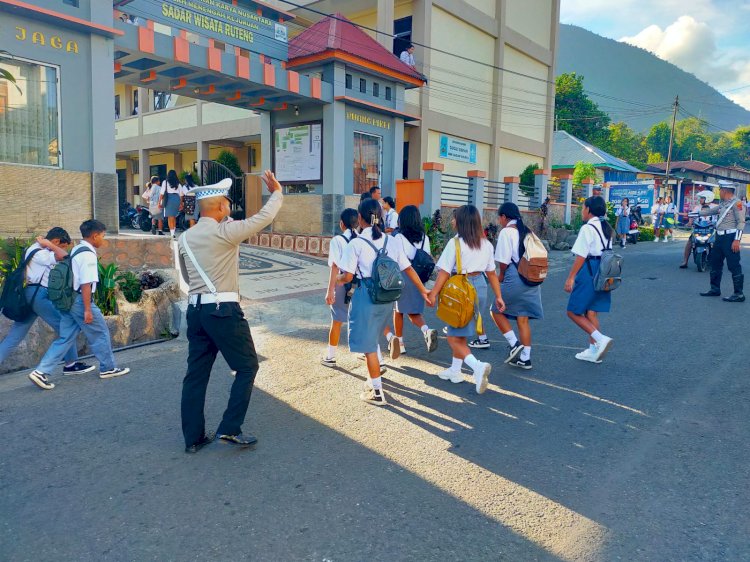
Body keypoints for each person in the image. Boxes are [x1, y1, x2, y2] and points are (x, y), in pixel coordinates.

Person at [178, 172, 283, 453]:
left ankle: (193, 439)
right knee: (247, 366)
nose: (229, 206)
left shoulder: (184, 238)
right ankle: (230, 427)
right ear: (221, 207)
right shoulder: (226, 233)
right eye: (226, 202)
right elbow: (263, 218)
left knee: (196, 375)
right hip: (223, 310)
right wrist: (277, 192)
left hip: (195, 310)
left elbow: (186, 278)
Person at [336, 199, 430, 406]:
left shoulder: (357, 244)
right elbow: (408, 268)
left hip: (366, 297)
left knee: (368, 345)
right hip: (388, 298)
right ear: (380, 216)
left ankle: (377, 391)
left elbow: (348, 276)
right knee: (375, 335)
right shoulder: (392, 241)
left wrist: (337, 278)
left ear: (360, 218)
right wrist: (424, 290)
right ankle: (373, 379)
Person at [27, 221, 130, 390]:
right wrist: (88, 309)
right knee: (100, 332)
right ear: (95, 235)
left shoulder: (76, 249)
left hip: (68, 300)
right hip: (81, 301)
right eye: (103, 236)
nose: (103, 240)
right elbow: (86, 283)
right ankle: (108, 368)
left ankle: (41, 372)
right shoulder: (87, 255)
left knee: (65, 337)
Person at [428, 205, 504, 394]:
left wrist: (433, 293)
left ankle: (477, 366)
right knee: (459, 331)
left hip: (461, 289)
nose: (452, 221)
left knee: (453, 336)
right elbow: (492, 273)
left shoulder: (456, 243)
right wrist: (499, 296)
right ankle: (455, 370)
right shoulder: (485, 243)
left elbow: (444, 272)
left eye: (454, 218)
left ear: (461, 222)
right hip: (480, 287)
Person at [0, 229, 92, 376]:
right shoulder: (41, 253)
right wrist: (50, 245)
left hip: (30, 295)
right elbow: (64, 256)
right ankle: (71, 364)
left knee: (14, 336)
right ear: (55, 242)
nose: (62, 249)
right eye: (62, 245)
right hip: (39, 296)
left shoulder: (35, 249)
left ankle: (71, 363)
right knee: (65, 327)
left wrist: (48, 244)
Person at [490, 203, 543, 370]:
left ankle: (514, 344)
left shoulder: (507, 232)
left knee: (496, 310)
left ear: (505, 216)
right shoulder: (528, 231)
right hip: (532, 278)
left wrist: (501, 275)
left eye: (500, 218)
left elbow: (503, 261)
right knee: (523, 317)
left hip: (515, 276)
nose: (499, 221)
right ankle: (525, 358)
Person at [382, 205, 438, 358]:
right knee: (414, 312)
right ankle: (426, 330)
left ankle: (400, 343)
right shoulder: (424, 237)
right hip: (419, 278)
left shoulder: (398, 237)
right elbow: (428, 256)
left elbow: (394, 259)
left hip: (403, 276)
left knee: (398, 310)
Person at [564, 196, 614, 364]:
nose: (581, 210)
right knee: (591, 311)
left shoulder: (587, 228)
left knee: (573, 311)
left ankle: (600, 340)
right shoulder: (605, 227)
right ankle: (593, 350)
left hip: (590, 270)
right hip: (605, 271)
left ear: (589, 210)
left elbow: (581, 255)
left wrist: (571, 277)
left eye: (583, 207)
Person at [322, 208, 359, 367]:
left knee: (337, 320)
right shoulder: (360, 239)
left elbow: (335, 267)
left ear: (341, 224)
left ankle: (330, 356)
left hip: (343, 282)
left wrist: (330, 290)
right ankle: (374, 357)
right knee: (361, 320)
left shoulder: (337, 240)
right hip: (359, 284)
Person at [698, 181, 745, 302]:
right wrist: (695, 213)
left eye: (720, 190)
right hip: (719, 238)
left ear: (725, 190)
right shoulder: (724, 203)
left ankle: (739, 294)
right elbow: (711, 211)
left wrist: (737, 240)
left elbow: (741, 222)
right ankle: (714, 289)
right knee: (715, 263)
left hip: (730, 238)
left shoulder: (738, 203)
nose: (719, 192)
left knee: (734, 265)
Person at [679, 194, 715, 269]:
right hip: (698, 229)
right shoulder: (697, 207)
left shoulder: (714, 207)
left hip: (711, 230)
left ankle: (717, 261)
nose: (700, 200)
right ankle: (685, 261)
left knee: (717, 244)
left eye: (702, 198)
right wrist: (689, 223)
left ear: (708, 198)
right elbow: (692, 216)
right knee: (689, 242)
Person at [160, 169, 186, 239]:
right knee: (173, 216)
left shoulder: (165, 182)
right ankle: (173, 232)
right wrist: (181, 203)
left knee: (170, 217)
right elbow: (181, 194)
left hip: (169, 198)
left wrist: (159, 202)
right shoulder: (178, 183)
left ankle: (172, 234)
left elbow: (162, 193)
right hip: (177, 199)